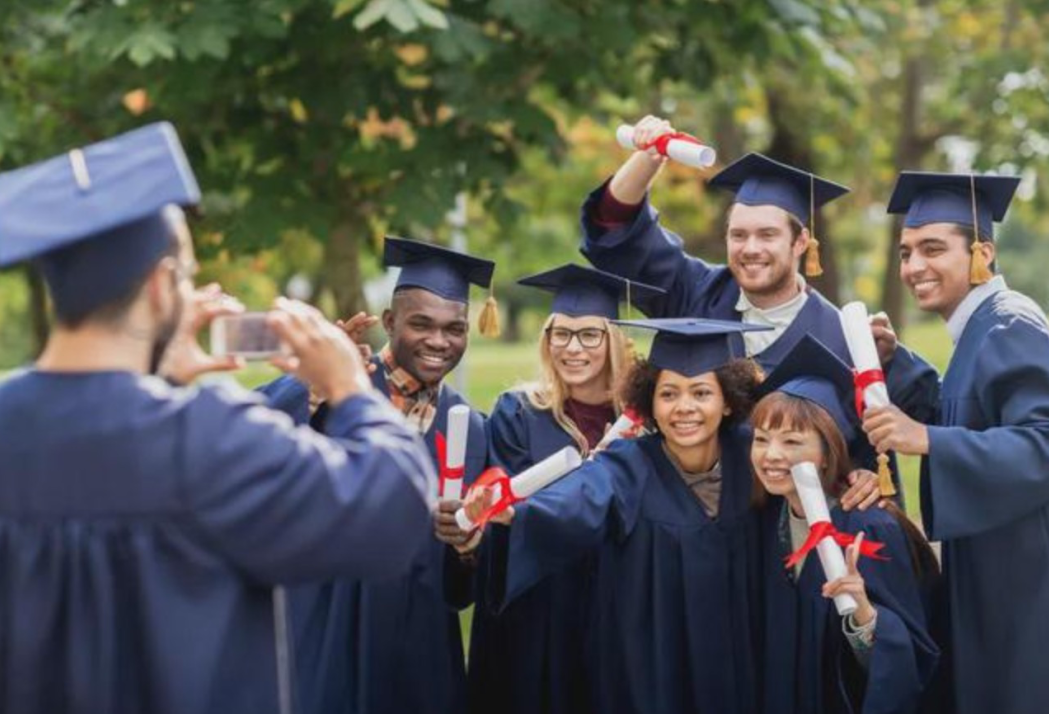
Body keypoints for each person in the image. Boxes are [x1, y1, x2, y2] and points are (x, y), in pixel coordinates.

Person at [0, 123, 435, 714]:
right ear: (159, 288)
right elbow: (392, 510)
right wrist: (349, 387)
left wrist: (160, 379)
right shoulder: (207, 435)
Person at [577, 116, 939, 493]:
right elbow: (614, 231)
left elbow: (897, 436)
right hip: (690, 518)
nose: (750, 249)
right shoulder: (695, 292)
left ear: (801, 243)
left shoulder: (846, 340)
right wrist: (649, 156)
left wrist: (863, 475)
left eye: (767, 235)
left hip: (785, 534)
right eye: (738, 235)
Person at [262, 236, 493, 714]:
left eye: (455, 328)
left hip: (419, 646)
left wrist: (468, 549)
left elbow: (460, 586)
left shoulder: (470, 427)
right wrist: (312, 384)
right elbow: (260, 444)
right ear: (389, 323)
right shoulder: (340, 387)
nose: (439, 341)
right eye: (421, 324)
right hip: (325, 621)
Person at [863, 171, 1049, 714]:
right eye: (906, 251)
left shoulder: (1008, 323)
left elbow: (1041, 442)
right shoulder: (981, 327)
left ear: (981, 252)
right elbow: (970, 411)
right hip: (999, 567)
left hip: (1025, 579)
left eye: (933, 248)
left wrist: (926, 439)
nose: (914, 266)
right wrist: (898, 362)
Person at [466, 263, 663, 714]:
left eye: (590, 335)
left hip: (617, 602)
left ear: (614, 340)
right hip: (540, 607)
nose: (573, 349)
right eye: (562, 334)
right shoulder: (518, 414)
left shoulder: (643, 421)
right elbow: (513, 519)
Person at [751, 335, 940, 713]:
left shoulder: (870, 529)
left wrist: (865, 616)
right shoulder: (765, 519)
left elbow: (911, 660)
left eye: (791, 441)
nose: (771, 455)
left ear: (827, 452)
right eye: (760, 439)